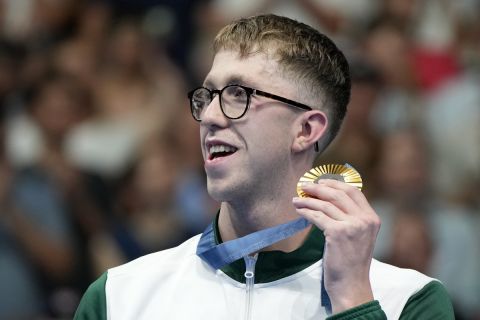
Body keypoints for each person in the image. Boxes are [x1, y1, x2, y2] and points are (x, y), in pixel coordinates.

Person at [74, 14, 453, 319]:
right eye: (208, 95)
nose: (209, 115)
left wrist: (353, 302)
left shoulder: (408, 302)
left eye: (238, 94)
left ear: (305, 129)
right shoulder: (118, 297)